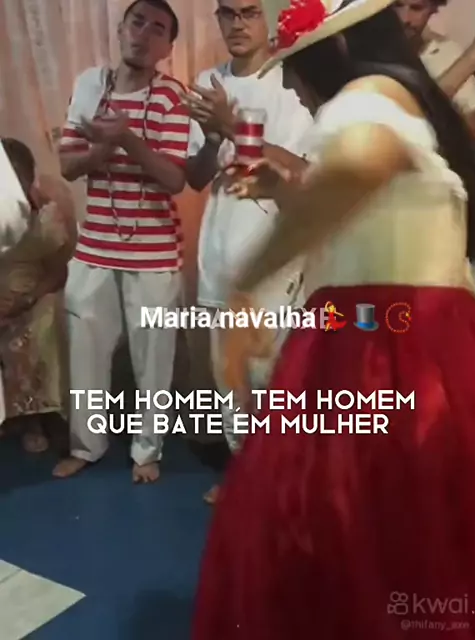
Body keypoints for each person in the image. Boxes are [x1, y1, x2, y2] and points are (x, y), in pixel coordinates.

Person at [192, 0, 475, 637]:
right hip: (413, 339)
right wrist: (286, 191)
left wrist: (247, 283)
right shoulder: (409, 103)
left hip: (380, 352)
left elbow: (358, 167)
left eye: (296, 69)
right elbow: (366, 201)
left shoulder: (365, 97)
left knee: (343, 532)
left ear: (336, 52)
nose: (295, 87)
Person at [53, 0, 190, 483]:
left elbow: (175, 178)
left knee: (154, 360)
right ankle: (85, 446)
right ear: (120, 28)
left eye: (158, 29)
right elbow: (68, 165)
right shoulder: (91, 85)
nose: (144, 34)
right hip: (95, 247)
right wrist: (105, 145)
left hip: (155, 253)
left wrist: (126, 138)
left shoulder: (173, 97)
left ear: (167, 48)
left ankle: (147, 451)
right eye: (138, 22)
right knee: (85, 354)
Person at [183, 0, 312, 504]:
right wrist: (213, 137)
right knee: (230, 379)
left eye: (249, 12)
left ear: (269, 17)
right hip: (219, 250)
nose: (237, 24)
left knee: (272, 378)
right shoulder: (209, 82)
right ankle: (244, 472)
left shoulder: (292, 80)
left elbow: (300, 172)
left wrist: (234, 124)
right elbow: (196, 177)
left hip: (273, 254)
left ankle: (281, 481)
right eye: (228, 13)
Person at [0, 138, 76, 452]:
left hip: (33, 295)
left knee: (44, 320)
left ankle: (38, 417)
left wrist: (27, 300)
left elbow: (60, 272)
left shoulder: (49, 211)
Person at [394, 0, 475, 136]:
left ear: (433, 9)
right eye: (397, 5)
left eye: (416, 8)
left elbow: (473, 119)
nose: (404, 18)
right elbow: (409, 115)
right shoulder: (364, 51)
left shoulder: (445, 51)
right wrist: (472, 57)